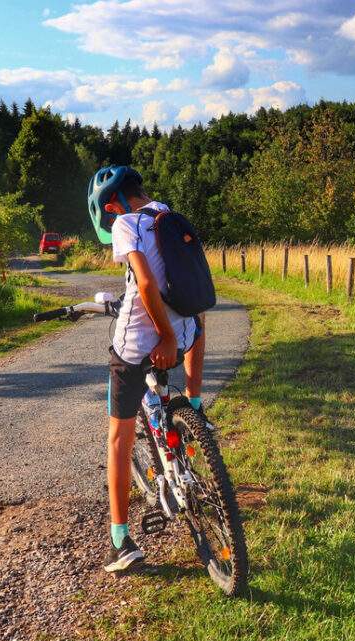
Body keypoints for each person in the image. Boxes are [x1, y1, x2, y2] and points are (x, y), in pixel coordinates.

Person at [87, 165, 209, 572]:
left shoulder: (126, 224)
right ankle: (194, 406)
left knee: (118, 438)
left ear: (110, 206)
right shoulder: (167, 215)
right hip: (187, 333)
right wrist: (176, 336)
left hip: (140, 346)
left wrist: (164, 338)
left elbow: (143, 283)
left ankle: (120, 541)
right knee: (196, 326)